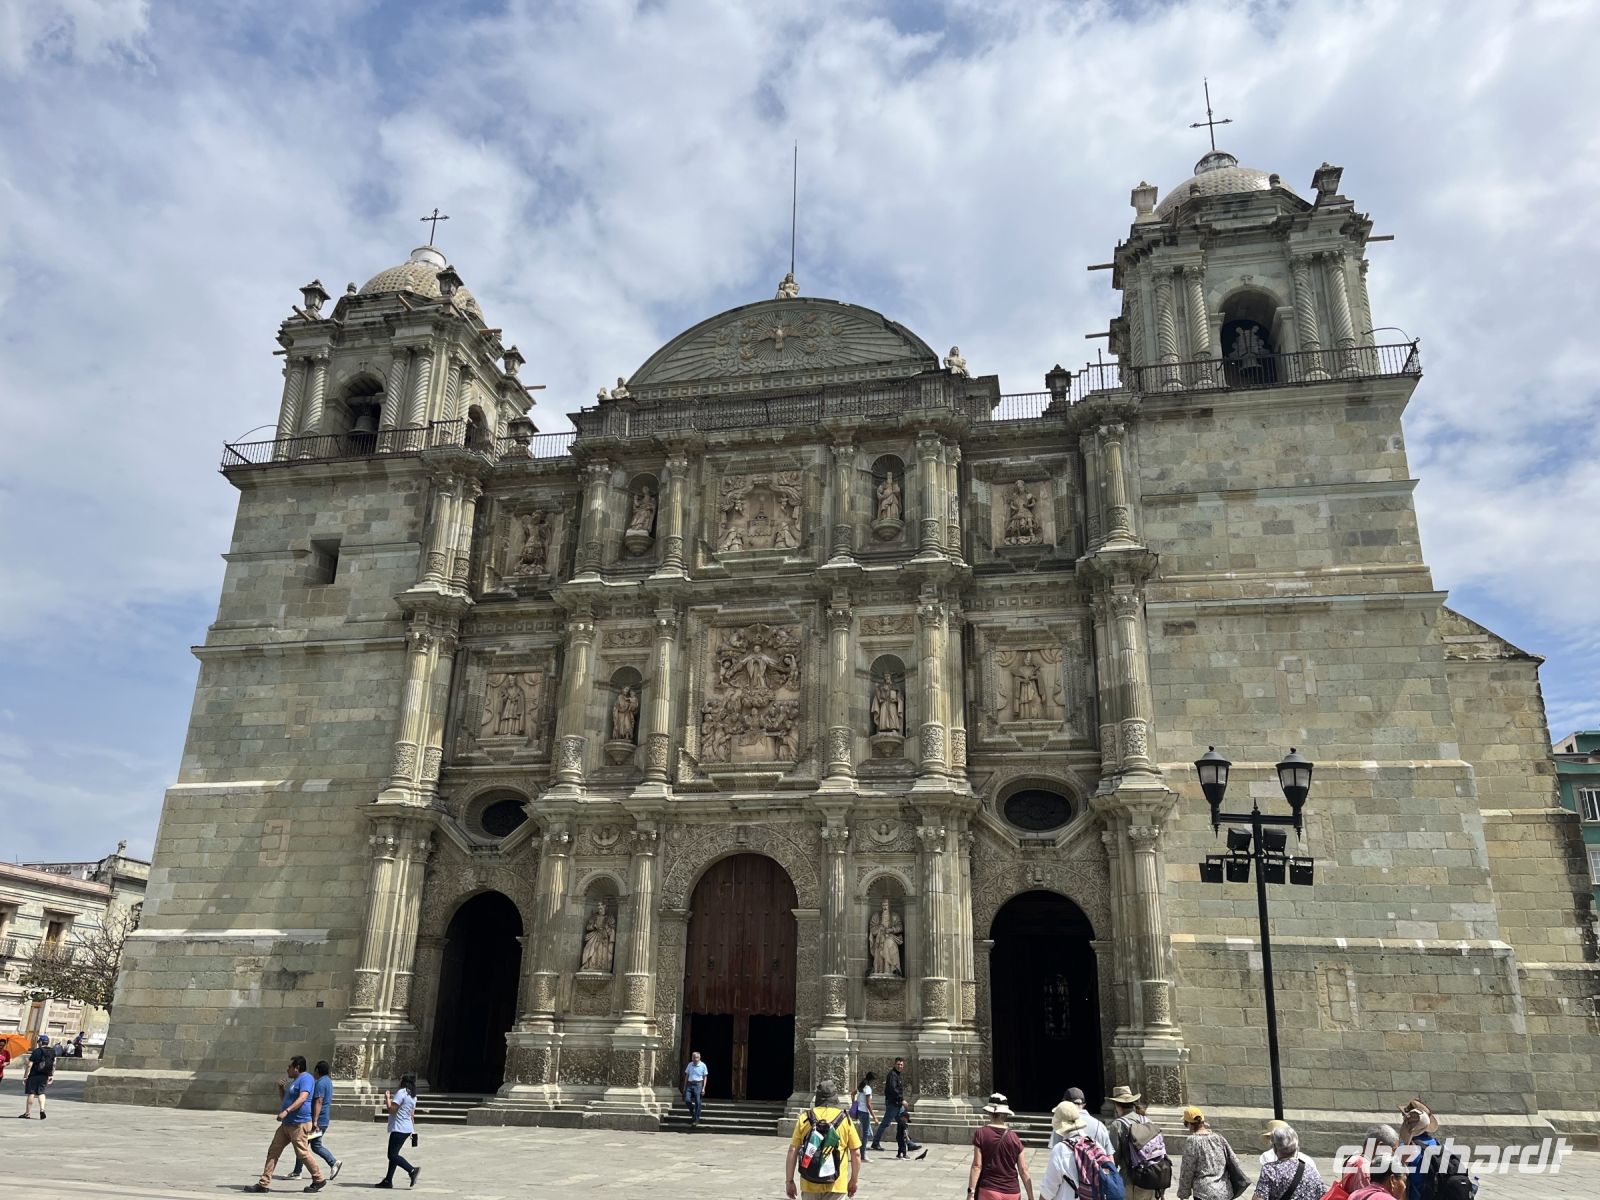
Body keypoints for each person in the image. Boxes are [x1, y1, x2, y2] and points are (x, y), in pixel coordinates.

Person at [250, 1054, 325, 1192]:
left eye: (289, 1067)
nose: (287, 1069)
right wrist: (281, 1089)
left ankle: (319, 1179)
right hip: (287, 1124)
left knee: (302, 1153)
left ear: (297, 1068)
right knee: (273, 1151)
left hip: (299, 1124)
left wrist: (287, 1111)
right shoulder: (295, 1081)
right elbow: (287, 1100)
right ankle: (263, 1183)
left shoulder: (306, 1078)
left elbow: (303, 1098)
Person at [785, 1079, 862, 1198]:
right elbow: (856, 1153)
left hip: (809, 1181)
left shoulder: (805, 1117)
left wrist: (789, 1181)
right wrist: (854, 1180)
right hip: (836, 1183)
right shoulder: (845, 1119)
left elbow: (793, 1150)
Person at [968, 1093, 1035, 1200]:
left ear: (989, 1112)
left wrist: (970, 1193)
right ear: (1005, 1114)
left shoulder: (981, 1133)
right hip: (1012, 1192)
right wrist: (1031, 1197)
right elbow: (1023, 1170)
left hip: (989, 1190)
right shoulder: (1015, 1138)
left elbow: (977, 1166)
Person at [288, 1060, 342, 1184]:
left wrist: (314, 1120)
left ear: (317, 1071)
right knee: (308, 1145)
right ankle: (298, 1170)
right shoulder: (328, 1081)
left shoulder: (320, 1083)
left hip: (318, 1120)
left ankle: (332, 1162)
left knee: (306, 1144)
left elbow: (318, 1101)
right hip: (323, 1119)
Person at [1176, 1105, 1245, 1200]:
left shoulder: (1192, 1141)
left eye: (1185, 1123)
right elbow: (1234, 1161)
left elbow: (1187, 1169)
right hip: (1224, 1191)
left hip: (1203, 1193)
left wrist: (1183, 1194)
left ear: (1190, 1124)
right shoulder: (1219, 1138)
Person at [1111, 1085, 1167, 1199]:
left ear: (1117, 1105)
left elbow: (1114, 1157)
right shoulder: (1147, 1120)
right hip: (1152, 1178)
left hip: (1131, 1181)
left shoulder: (1117, 1125)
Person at [1254, 1124, 1324, 1200]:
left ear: (1275, 1147)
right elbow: (1323, 1196)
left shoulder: (1270, 1170)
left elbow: (1259, 1198)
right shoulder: (1311, 1170)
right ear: (1296, 1147)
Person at [377, 1072, 420, 1188]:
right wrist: (413, 1130)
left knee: (392, 1155)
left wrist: (387, 1098)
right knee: (394, 1154)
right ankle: (388, 1180)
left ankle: (412, 1170)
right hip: (407, 1128)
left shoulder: (402, 1093)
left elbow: (391, 1110)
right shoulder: (413, 1096)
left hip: (399, 1128)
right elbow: (412, 1115)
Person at [1050, 1086, 1113, 1157]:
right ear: (1084, 1104)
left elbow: (1055, 1154)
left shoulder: (1061, 1124)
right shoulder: (1100, 1125)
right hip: (1095, 1166)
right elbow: (1109, 1156)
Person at [871, 1056, 917, 1152]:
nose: (900, 1066)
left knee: (903, 1123)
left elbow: (898, 1090)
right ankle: (875, 1142)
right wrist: (902, 1100)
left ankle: (909, 1143)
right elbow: (893, 1090)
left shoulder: (898, 1075)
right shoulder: (892, 1075)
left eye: (901, 1064)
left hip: (897, 1104)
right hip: (893, 1104)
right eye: (898, 1064)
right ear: (894, 1064)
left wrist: (901, 1100)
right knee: (885, 1124)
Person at [19, 1033, 55, 1120]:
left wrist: (25, 1076)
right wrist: (51, 1075)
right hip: (45, 1075)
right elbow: (53, 1064)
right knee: (41, 1093)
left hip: (34, 1075)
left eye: (39, 1041)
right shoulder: (52, 1051)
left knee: (31, 1093)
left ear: (41, 1042)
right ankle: (42, 1109)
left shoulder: (37, 1051)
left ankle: (27, 1113)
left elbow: (29, 1065)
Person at [852, 1072, 877, 1162]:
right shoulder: (868, 1089)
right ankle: (863, 1154)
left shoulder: (860, 1087)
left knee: (863, 1133)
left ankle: (861, 1151)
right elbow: (868, 1104)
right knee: (865, 1134)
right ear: (871, 1080)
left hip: (859, 1111)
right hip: (864, 1112)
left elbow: (852, 1093)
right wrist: (874, 1117)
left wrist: (854, 1104)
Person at [683, 1052, 708, 1126]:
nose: (695, 1059)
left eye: (697, 1058)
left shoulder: (703, 1065)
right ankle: (693, 1110)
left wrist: (703, 1088)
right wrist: (684, 1086)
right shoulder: (690, 1065)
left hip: (698, 1084)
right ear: (692, 1058)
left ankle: (696, 1120)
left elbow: (705, 1077)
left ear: (699, 1058)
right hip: (690, 1084)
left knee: (698, 1101)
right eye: (694, 1057)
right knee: (687, 1100)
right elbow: (687, 1076)